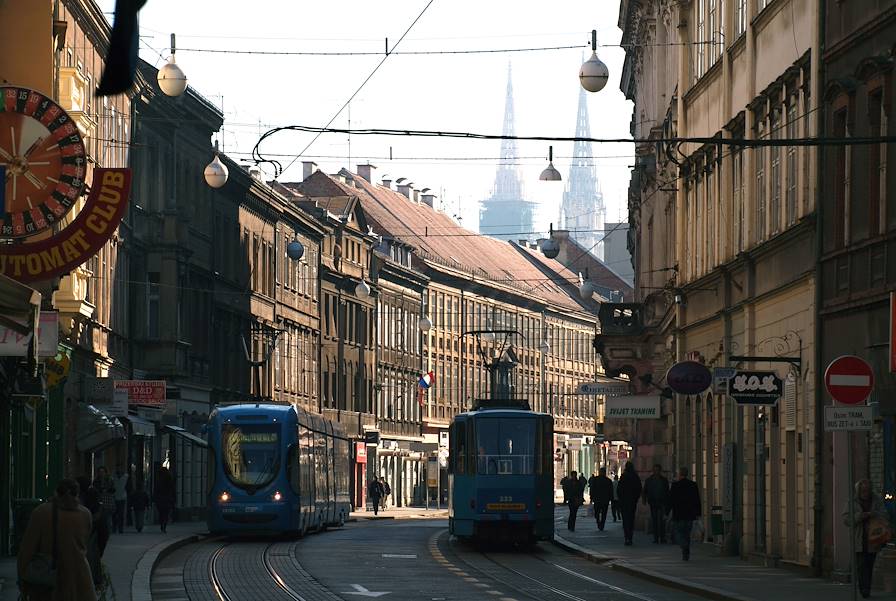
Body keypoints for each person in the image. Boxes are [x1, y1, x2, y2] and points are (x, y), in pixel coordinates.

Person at [17, 478, 96, 601]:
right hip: (79, 577)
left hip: (49, 577)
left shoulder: (41, 512)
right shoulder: (85, 514)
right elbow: (85, 541)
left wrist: (22, 579)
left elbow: (27, 549)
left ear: (56, 492)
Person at [842, 478, 888, 598]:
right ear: (859, 490)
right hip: (859, 539)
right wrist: (859, 516)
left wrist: (875, 514)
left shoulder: (877, 500)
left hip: (874, 538)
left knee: (870, 565)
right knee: (861, 567)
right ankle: (864, 589)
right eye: (863, 490)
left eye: (867, 490)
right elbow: (846, 519)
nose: (865, 493)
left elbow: (884, 514)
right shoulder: (852, 501)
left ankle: (866, 588)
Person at [669, 466, 702, 560]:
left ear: (679, 474)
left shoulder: (675, 485)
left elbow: (671, 500)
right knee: (687, 532)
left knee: (678, 532)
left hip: (679, 513)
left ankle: (684, 546)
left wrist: (667, 511)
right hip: (689, 513)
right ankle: (685, 549)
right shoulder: (692, 485)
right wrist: (698, 512)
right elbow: (697, 500)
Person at [642, 464, 670, 543]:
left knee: (661, 521)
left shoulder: (664, 480)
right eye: (655, 470)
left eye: (657, 470)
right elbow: (645, 491)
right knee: (655, 520)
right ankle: (656, 537)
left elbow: (667, 492)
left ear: (660, 471)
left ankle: (662, 537)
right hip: (653, 502)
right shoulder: (649, 480)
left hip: (662, 502)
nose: (656, 472)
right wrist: (644, 499)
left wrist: (667, 502)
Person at [617, 461, 642, 545]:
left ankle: (627, 537)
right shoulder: (635, 476)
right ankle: (630, 536)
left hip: (624, 501)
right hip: (632, 501)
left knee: (625, 519)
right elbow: (639, 488)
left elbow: (619, 489)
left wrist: (620, 499)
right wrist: (636, 498)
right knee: (631, 519)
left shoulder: (624, 476)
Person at [92, 467, 115, 538]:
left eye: (103, 472)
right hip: (99, 500)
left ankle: (108, 531)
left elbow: (113, 489)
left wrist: (107, 490)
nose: (101, 473)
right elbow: (95, 490)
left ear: (105, 472)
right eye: (100, 472)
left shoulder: (110, 480)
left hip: (108, 500)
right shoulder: (96, 481)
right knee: (100, 516)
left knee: (108, 517)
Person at [153, 466, 175, 533]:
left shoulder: (159, 480)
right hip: (167, 499)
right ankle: (164, 526)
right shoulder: (169, 479)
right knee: (166, 513)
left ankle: (162, 524)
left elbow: (156, 490)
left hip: (160, 499)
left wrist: (155, 498)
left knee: (161, 513)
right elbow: (172, 490)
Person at [112, 467, 129, 534]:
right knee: (114, 514)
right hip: (114, 497)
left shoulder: (126, 477)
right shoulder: (113, 477)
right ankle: (114, 527)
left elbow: (128, 486)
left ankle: (120, 528)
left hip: (122, 497)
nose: (119, 470)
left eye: (120, 468)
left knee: (121, 514)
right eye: (118, 468)